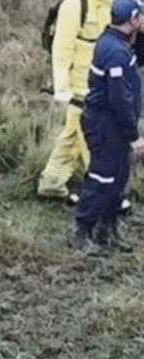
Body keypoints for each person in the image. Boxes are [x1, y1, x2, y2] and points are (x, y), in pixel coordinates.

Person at [72, 0, 144, 253]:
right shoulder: (115, 52)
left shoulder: (120, 41)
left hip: (113, 125)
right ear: (133, 20)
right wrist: (134, 136)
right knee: (102, 177)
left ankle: (107, 231)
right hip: (105, 125)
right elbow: (119, 101)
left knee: (118, 179)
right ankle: (82, 232)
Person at [38, 0, 113, 204]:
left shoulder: (107, 5)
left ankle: (51, 185)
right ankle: (103, 194)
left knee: (73, 134)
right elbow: (61, 49)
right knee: (93, 137)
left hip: (98, 81)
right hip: (78, 86)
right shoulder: (74, 5)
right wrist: (62, 88)